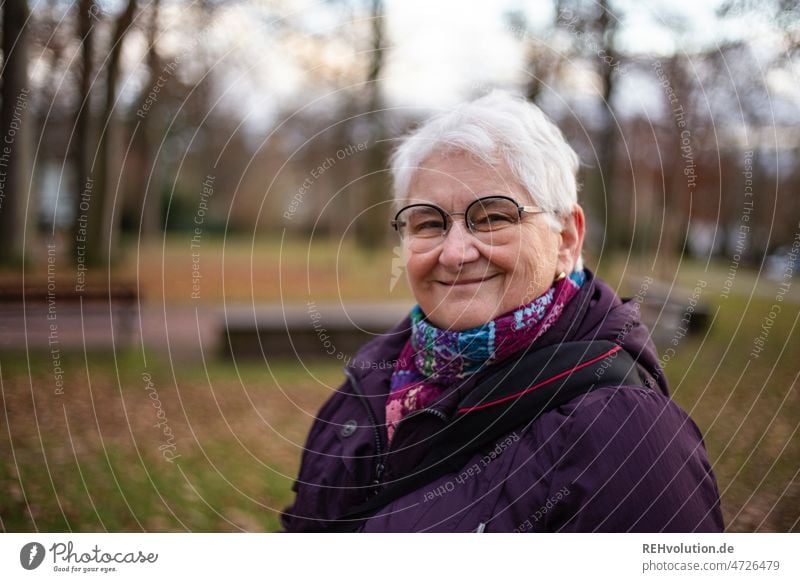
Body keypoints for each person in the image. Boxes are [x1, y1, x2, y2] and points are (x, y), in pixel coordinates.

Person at [280, 91, 724, 533]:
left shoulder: (629, 437)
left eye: (492, 217)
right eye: (429, 223)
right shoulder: (369, 384)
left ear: (566, 238)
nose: (454, 253)